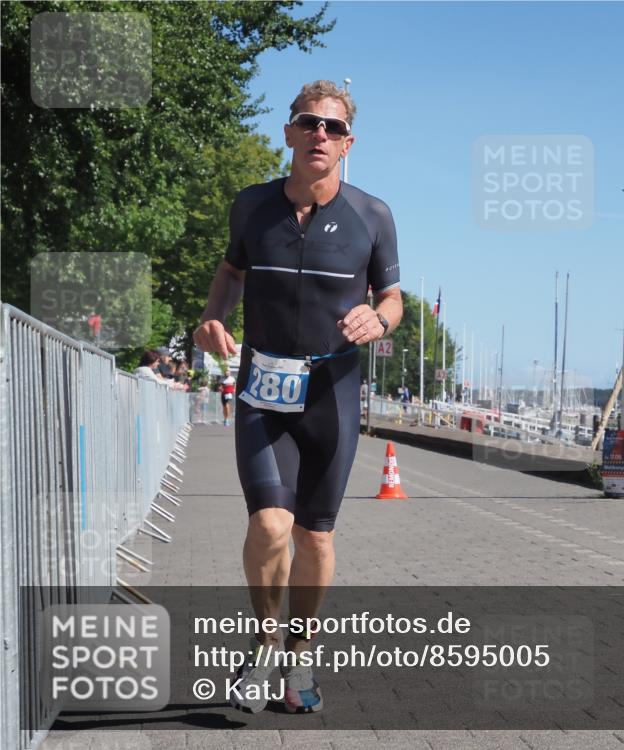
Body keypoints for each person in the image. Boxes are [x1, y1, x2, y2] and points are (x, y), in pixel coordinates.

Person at [193, 80, 401, 715]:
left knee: (313, 536)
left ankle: (301, 654)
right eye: (309, 123)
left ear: (348, 144)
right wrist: (210, 319)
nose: (320, 135)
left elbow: (392, 294)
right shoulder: (252, 207)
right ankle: (263, 641)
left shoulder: (373, 215)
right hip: (262, 384)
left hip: (332, 391)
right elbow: (232, 271)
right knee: (267, 522)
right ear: (288, 132)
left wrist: (382, 319)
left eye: (333, 128)